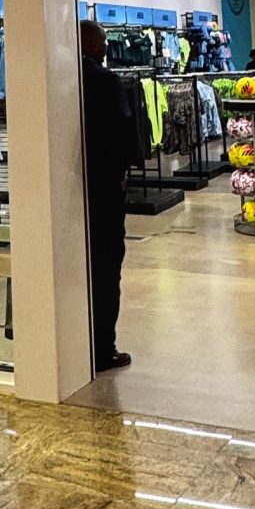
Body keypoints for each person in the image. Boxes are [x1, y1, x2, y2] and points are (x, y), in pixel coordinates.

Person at [79, 20, 145, 372]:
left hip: (71, 188)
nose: (107, 46)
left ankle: (76, 341)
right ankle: (103, 348)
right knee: (106, 269)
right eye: (103, 41)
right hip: (103, 189)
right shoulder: (106, 81)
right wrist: (122, 173)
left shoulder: (61, 79)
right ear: (92, 44)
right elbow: (121, 131)